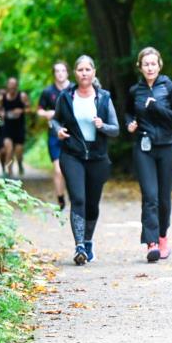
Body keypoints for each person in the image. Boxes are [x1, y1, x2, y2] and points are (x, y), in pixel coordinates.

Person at [53, 55, 120, 265]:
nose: (84, 73)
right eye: (80, 70)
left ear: (94, 72)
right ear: (75, 73)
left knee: (92, 204)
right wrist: (58, 130)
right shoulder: (65, 97)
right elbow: (55, 120)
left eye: (87, 70)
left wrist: (102, 126)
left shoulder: (104, 98)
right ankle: (79, 246)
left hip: (98, 157)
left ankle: (88, 241)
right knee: (79, 199)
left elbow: (115, 129)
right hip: (72, 154)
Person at [126, 46, 172, 262]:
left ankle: (162, 238)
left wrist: (156, 108)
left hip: (168, 148)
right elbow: (128, 112)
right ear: (140, 67)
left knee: (163, 198)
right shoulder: (135, 91)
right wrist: (129, 123)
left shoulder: (169, 87)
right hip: (144, 148)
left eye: (153, 63)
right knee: (149, 196)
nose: (150, 67)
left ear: (159, 65)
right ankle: (151, 243)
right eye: (146, 64)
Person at [36, 61, 71, 209]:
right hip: (54, 134)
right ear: (54, 74)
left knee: (71, 169)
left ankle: (77, 198)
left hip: (73, 134)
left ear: (68, 72)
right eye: (57, 71)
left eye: (63, 70)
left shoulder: (75, 89)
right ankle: (61, 199)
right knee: (58, 169)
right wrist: (47, 113)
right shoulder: (48, 92)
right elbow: (39, 110)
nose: (60, 73)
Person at [0, 77, 29, 178]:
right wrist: (2, 114)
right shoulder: (2, 97)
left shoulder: (22, 96)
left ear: (16, 86)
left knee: (19, 152)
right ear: (7, 87)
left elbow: (29, 109)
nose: (12, 88)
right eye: (10, 86)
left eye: (14, 87)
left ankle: (20, 164)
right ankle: (9, 173)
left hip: (19, 128)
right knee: (8, 149)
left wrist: (21, 111)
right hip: (7, 127)